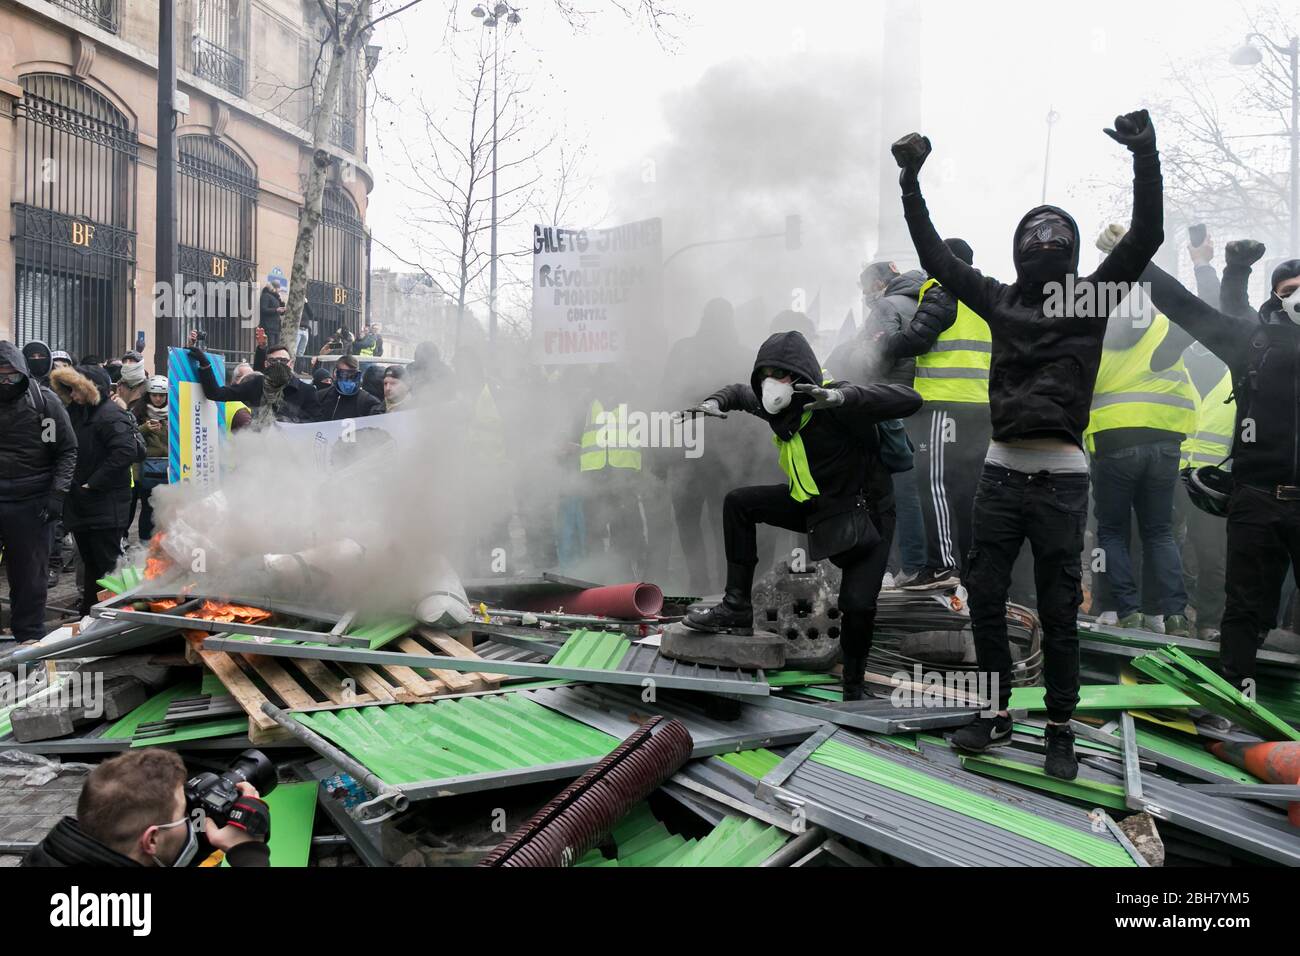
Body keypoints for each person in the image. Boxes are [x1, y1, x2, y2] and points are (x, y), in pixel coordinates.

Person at [893, 108, 1163, 779]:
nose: (1045, 238)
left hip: (1062, 477)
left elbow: (1147, 236)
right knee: (984, 598)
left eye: (1056, 231)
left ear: (1067, 247)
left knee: (1058, 609)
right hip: (1002, 473)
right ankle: (993, 713)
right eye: (1034, 230)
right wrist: (909, 182)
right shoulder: (1000, 298)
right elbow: (935, 258)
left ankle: (1061, 729)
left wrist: (1145, 155)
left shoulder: (1092, 298)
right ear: (1020, 245)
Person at [679, 329, 922, 700]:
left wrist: (842, 397)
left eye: (781, 374)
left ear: (801, 376)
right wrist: (714, 402)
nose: (771, 383)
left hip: (866, 513)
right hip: (812, 503)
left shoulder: (834, 402)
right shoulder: (774, 404)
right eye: (765, 374)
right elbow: (737, 393)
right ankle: (736, 608)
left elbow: (909, 398)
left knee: (857, 604)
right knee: (739, 503)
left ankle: (854, 686)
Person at [1142, 253, 1300, 693]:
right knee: (1243, 605)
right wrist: (1134, 256)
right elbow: (1185, 306)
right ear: (1275, 298)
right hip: (1256, 494)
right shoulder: (1249, 340)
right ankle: (1236, 696)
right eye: (1289, 291)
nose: (1297, 298)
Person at [1082, 224, 1197, 636]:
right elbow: (1197, 309)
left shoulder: (1096, 321)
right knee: (1159, 531)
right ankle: (1175, 615)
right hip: (1164, 439)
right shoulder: (1162, 317)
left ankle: (1127, 612)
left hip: (1114, 440)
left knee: (1112, 530)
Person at [830, 260, 930, 587]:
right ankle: (915, 563)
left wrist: (847, 361)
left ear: (878, 283)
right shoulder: (921, 302)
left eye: (865, 287)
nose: (864, 295)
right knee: (916, 488)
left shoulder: (888, 306)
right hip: (921, 399)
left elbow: (875, 354)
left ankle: (900, 566)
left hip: (890, 400)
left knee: (893, 489)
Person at [908, 239, 992, 586]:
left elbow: (916, 339)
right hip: (981, 405)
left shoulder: (943, 291)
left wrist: (881, 345)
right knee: (968, 492)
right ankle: (972, 570)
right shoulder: (988, 295)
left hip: (943, 403)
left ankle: (942, 565)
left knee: (934, 484)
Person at [23, 749, 269, 867]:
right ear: (151, 839)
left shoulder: (45, 858)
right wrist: (248, 850)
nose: (191, 818)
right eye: (183, 813)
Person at [661, 298, 749, 593]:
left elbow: (666, 403)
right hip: (722, 456)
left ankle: (699, 581)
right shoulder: (739, 354)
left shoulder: (683, 350)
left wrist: (661, 456)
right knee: (720, 522)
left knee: (690, 523)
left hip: (692, 452)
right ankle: (724, 584)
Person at [51, 363, 144, 616]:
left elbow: (126, 451)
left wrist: (93, 482)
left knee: (107, 566)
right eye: (68, 390)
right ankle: (91, 614)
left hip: (105, 504)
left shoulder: (110, 414)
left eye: (76, 389)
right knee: (91, 564)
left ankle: (117, 615)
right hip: (82, 505)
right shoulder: (77, 413)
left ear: (90, 389)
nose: (72, 395)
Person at [0, 342, 77, 645]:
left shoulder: (43, 403)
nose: (5, 383)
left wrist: (57, 494)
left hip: (31, 502)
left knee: (30, 576)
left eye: (10, 376)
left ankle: (29, 639)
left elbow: (66, 450)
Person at [188, 328, 317, 426]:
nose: (278, 365)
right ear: (266, 364)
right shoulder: (257, 385)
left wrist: (289, 423)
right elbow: (216, 393)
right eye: (273, 361)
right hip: (259, 455)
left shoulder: (307, 391)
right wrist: (205, 364)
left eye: (283, 361)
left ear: (291, 363)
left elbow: (316, 425)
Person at [135, 376, 170, 541]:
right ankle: (144, 542)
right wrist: (144, 428)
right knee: (148, 508)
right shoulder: (138, 412)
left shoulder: (175, 412)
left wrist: (171, 428)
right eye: (154, 394)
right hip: (147, 470)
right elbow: (129, 437)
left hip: (170, 469)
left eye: (162, 395)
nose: (158, 398)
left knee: (170, 508)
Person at [315, 352, 382, 421]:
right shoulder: (321, 397)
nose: (349, 380)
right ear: (335, 373)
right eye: (344, 375)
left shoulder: (367, 401)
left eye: (353, 376)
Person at [260, 269, 287, 346]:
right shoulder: (266, 296)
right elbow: (263, 309)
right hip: (268, 326)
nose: (279, 290)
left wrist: (282, 304)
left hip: (276, 327)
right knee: (271, 346)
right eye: (278, 288)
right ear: (274, 288)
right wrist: (276, 310)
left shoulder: (276, 297)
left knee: (276, 346)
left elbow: (281, 313)